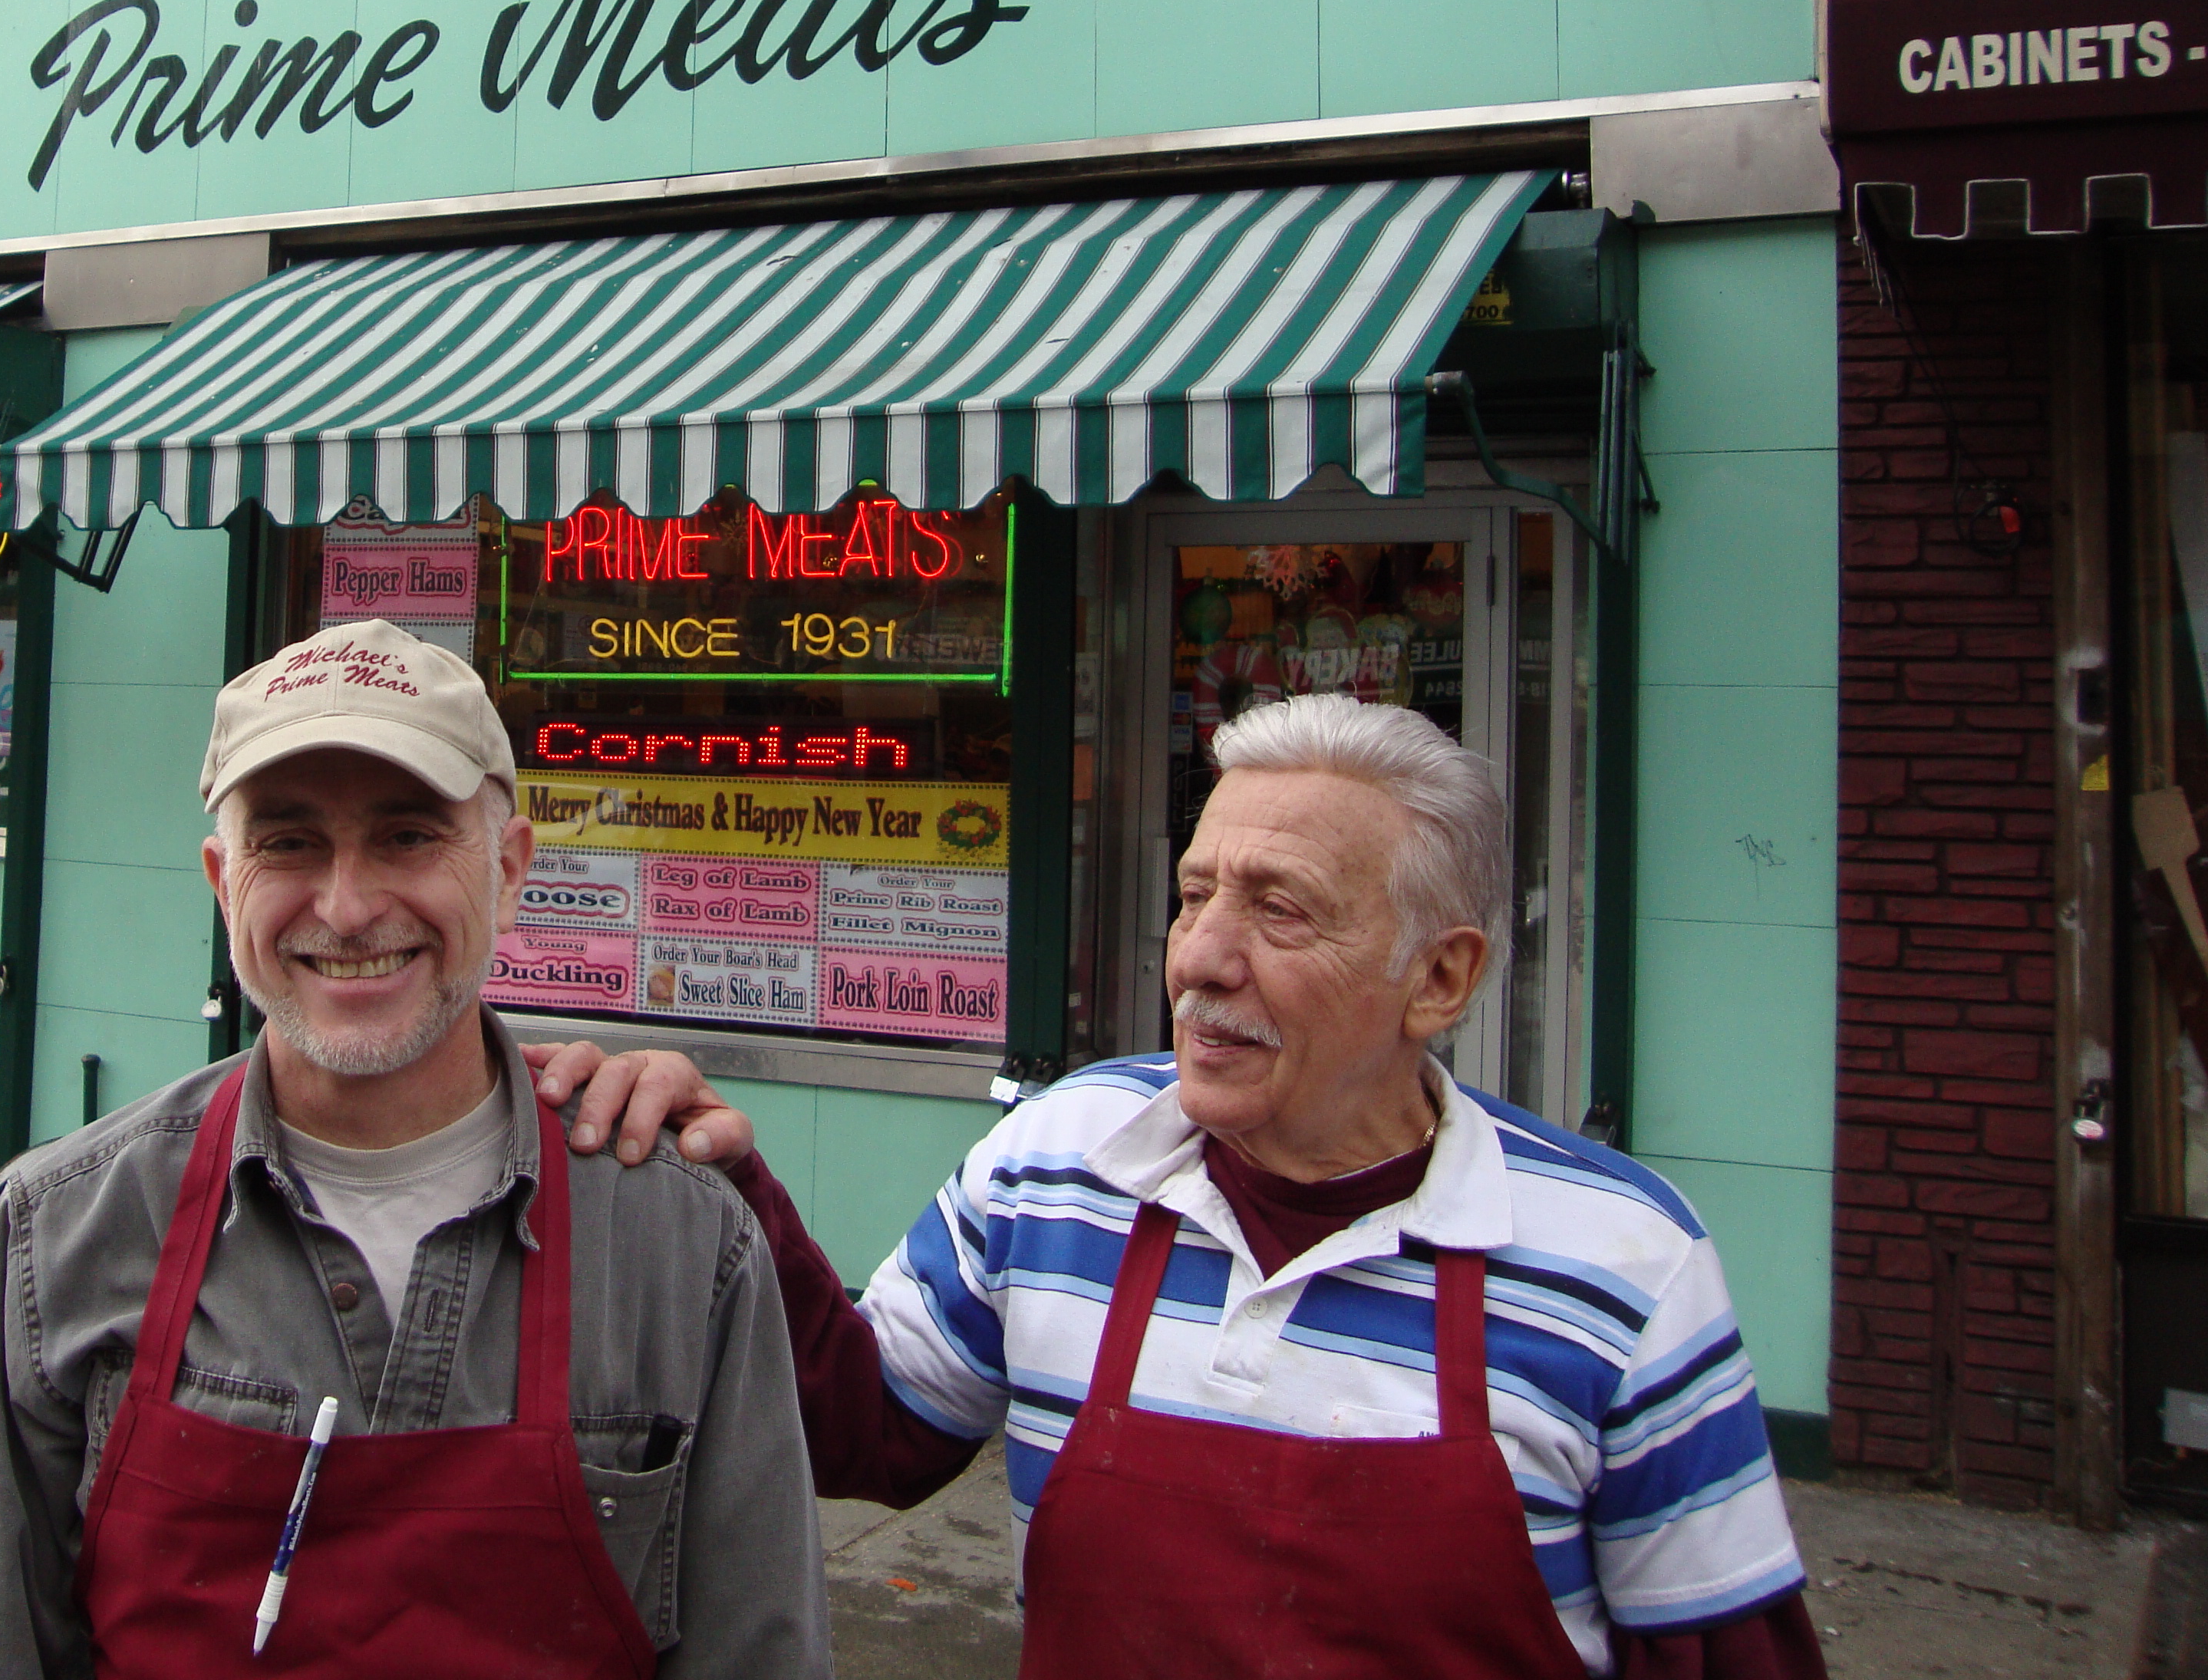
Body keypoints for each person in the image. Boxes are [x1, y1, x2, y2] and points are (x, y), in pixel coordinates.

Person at [538, 695, 1830, 1680]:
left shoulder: (1621, 1263)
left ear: (1441, 978)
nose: (1203, 958)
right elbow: (869, 1431)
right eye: (1195, 894)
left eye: (1281, 911)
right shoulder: (1059, 1161)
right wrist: (718, 1182)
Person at [0, 619, 829, 1680]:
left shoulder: (684, 1243)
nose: (346, 907)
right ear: (221, 880)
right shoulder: (58, 1234)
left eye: (409, 837)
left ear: (510, 868)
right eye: (287, 842)